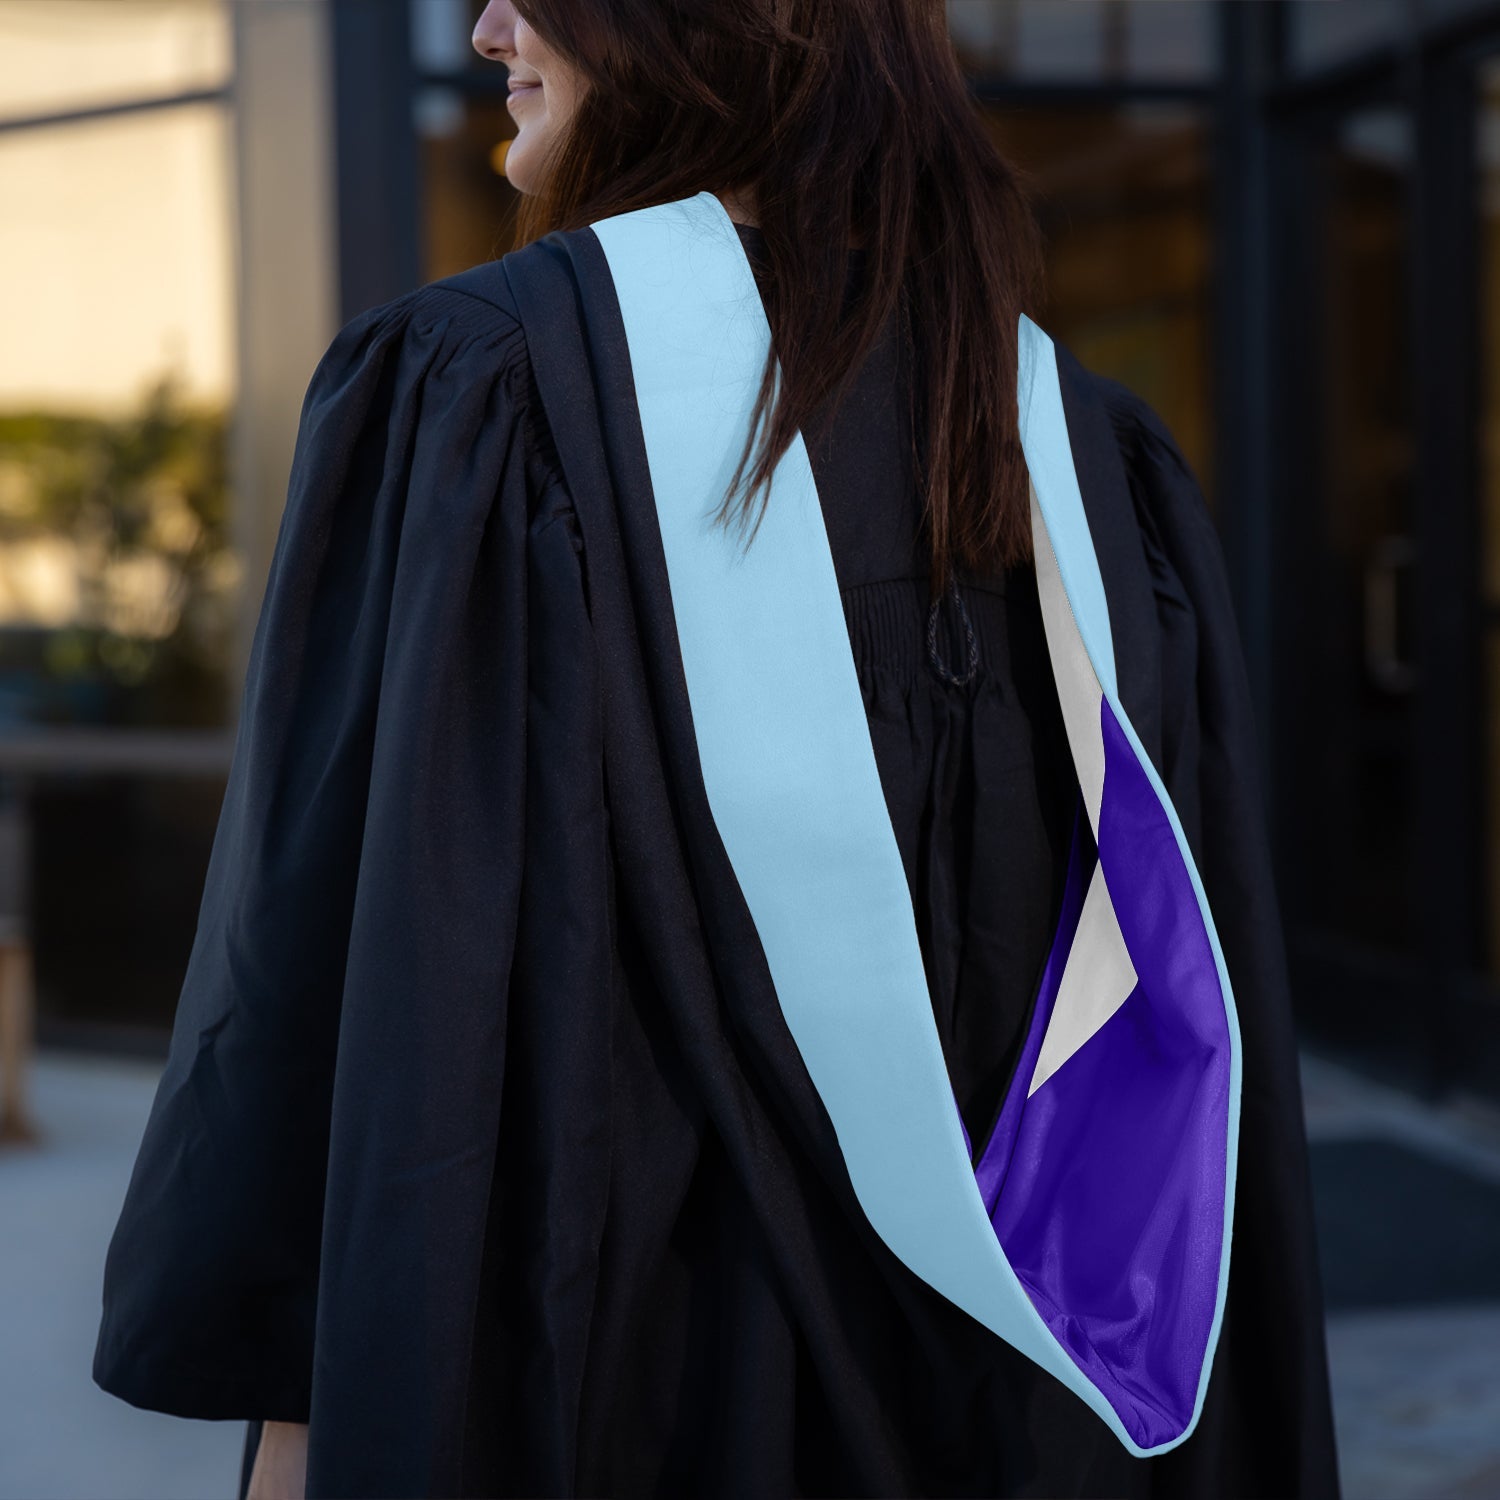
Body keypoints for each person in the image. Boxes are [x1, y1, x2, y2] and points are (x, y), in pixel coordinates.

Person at [92, 3, 1342, 1497]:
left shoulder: (484, 397)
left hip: (621, 1397)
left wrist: (296, 1440)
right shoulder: (1082, 458)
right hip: (1029, 1428)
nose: (490, 24)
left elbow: (331, 1015)